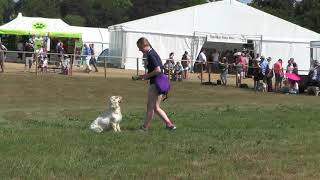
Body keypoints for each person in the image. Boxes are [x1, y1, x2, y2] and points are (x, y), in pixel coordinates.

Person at [136, 37, 176, 131]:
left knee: (150, 106)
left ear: (144, 45)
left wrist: (146, 76)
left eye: (140, 47)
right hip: (160, 83)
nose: (139, 50)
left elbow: (157, 70)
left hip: (155, 84)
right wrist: (146, 76)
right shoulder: (153, 52)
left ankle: (144, 128)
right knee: (156, 107)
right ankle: (170, 125)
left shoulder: (150, 54)